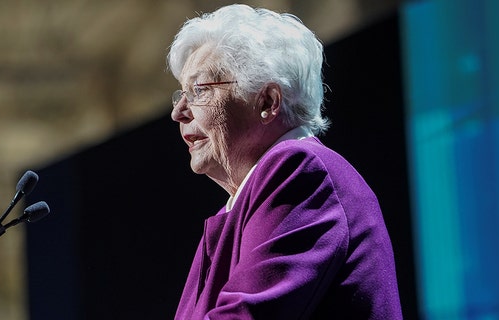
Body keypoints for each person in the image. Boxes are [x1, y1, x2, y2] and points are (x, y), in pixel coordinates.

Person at [168, 4, 402, 319]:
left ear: (267, 102)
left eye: (198, 90)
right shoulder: (238, 206)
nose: (179, 113)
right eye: (181, 94)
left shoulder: (301, 169)